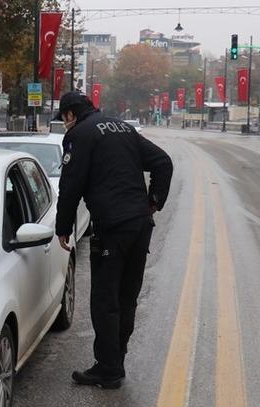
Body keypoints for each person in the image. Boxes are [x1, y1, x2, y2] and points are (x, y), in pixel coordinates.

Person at [54, 91, 173, 389]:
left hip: (112, 228)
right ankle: (116, 359)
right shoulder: (123, 127)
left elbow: (70, 185)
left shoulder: (79, 135)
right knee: (126, 297)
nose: (64, 124)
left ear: (70, 114)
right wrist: (153, 200)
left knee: (105, 300)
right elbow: (163, 162)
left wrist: (63, 226)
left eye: (64, 119)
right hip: (140, 225)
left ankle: (108, 368)